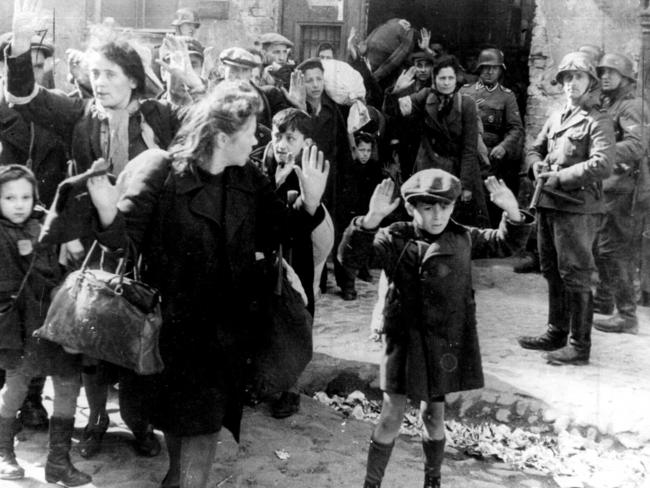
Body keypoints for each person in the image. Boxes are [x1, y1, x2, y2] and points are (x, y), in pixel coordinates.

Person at [86, 81, 330, 488]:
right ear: (221, 135)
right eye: (252, 130)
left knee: (202, 430)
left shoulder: (248, 177)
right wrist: (109, 214)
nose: (258, 138)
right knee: (184, 428)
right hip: (171, 332)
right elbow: (123, 244)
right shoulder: (161, 171)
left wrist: (309, 204)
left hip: (224, 333)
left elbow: (277, 232)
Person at [4, 1, 194, 459]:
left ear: (132, 76)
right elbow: (26, 99)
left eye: (109, 74)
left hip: (148, 245)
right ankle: (95, 419)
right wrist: (20, 52)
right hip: (93, 246)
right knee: (91, 338)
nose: (100, 83)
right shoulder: (79, 114)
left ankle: (140, 421)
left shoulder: (160, 116)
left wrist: (186, 81)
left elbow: (200, 130)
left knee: (144, 332)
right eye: (94, 74)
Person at [338, 169, 533, 488]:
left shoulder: (463, 237)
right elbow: (350, 258)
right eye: (428, 207)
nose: (438, 215)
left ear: (454, 207)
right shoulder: (394, 236)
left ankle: (433, 481)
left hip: (443, 343)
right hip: (404, 341)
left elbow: (504, 242)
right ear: (412, 208)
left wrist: (511, 211)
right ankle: (371, 484)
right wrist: (371, 219)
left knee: (434, 415)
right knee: (391, 414)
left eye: (445, 206)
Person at [517, 52, 614, 365]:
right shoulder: (557, 115)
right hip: (548, 204)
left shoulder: (597, 120)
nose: (572, 84)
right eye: (567, 78)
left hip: (577, 208)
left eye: (579, 78)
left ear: (590, 83)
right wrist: (535, 167)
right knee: (551, 270)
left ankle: (579, 345)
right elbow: (533, 148)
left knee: (575, 274)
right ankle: (555, 332)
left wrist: (559, 177)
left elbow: (602, 164)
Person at [0, 165, 90, 485]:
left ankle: (58, 462)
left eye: (25, 196)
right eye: (9, 197)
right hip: (17, 325)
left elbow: (63, 267)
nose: (19, 203)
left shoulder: (46, 227)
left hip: (52, 319)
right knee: (16, 387)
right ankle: (4, 452)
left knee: (68, 383)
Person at [259, 107, 334, 418]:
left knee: (297, 313)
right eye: (278, 136)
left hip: (297, 252)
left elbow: (310, 221)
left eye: (290, 137)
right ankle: (264, 380)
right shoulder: (265, 165)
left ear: (305, 141)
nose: (281, 144)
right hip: (268, 254)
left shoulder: (307, 170)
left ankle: (289, 389)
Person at [385, 55, 489, 228]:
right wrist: (396, 91)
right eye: (442, 78)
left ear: (456, 80)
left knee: (461, 224)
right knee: (429, 220)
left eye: (450, 78)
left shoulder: (466, 103)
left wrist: (466, 185)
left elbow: (469, 148)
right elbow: (394, 112)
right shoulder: (426, 97)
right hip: (430, 167)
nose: (446, 83)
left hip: (458, 170)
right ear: (435, 79)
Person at [289, 57, 357, 299]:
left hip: (334, 180)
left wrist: (348, 184)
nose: (315, 85)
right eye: (309, 81)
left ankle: (346, 282)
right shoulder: (297, 111)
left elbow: (344, 150)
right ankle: (319, 280)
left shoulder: (333, 109)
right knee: (312, 230)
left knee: (339, 230)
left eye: (319, 79)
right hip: (308, 179)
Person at [592, 53, 648, 334]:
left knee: (615, 251)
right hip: (612, 188)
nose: (605, 76)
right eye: (602, 72)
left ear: (626, 77)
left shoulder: (631, 106)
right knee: (603, 246)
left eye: (612, 72)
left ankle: (627, 316)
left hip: (627, 191)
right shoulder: (610, 102)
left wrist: (602, 152)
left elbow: (637, 145)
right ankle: (603, 301)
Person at [460, 47, 524, 226]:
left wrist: (504, 146)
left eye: (494, 68)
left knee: (489, 201)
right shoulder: (465, 92)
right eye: (485, 67)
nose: (489, 71)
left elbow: (516, 128)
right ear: (479, 69)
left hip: (491, 159)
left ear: (500, 70)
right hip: (467, 154)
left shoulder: (506, 97)